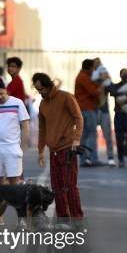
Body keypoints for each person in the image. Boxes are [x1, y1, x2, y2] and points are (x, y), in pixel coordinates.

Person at [33, 72, 85, 224]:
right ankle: (63, 219)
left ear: (48, 86)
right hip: (53, 151)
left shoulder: (66, 97)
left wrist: (76, 139)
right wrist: (40, 151)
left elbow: (79, 117)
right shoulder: (42, 104)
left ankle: (77, 219)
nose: (40, 92)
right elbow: (42, 129)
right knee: (57, 187)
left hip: (68, 148)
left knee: (69, 186)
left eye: (42, 89)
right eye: (37, 90)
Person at [0, 77, 30, 186]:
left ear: (5, 89)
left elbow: (25, 126)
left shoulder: (17, 103)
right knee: (0, 182)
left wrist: (23, 147)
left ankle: (16, 201)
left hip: (13, 147)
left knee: (14, 181)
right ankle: (4, 202)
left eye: (1, 93)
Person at [74, 59, 102, 167]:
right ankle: (92, 158)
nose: (93, 70)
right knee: (91, 134)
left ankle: (84, 159)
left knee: (84, 135)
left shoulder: (81, 76)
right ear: (89, 68)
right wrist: (100, 87)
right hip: (88, 109)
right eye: (93, 68)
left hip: (83, 109)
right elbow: (93, 92)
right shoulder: (84, 77)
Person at [109, 69, 127, 167]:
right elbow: (112, 92)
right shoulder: (116, 86)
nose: (125, 75)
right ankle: (121, 159)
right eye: (123, 73)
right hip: (119, 114)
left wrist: (125, 97)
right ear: (120, 75)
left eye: (126, 73)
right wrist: (126, 95)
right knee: (119, 138)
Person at [91, 58, 116, 166]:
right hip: (95, 110)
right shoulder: (92, 79)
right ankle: (92, 158)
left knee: (107, 135)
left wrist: (106, 78)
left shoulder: (106, 81)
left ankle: (110, 157)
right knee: (92, 135)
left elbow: (112, 89)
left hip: (104, 110)